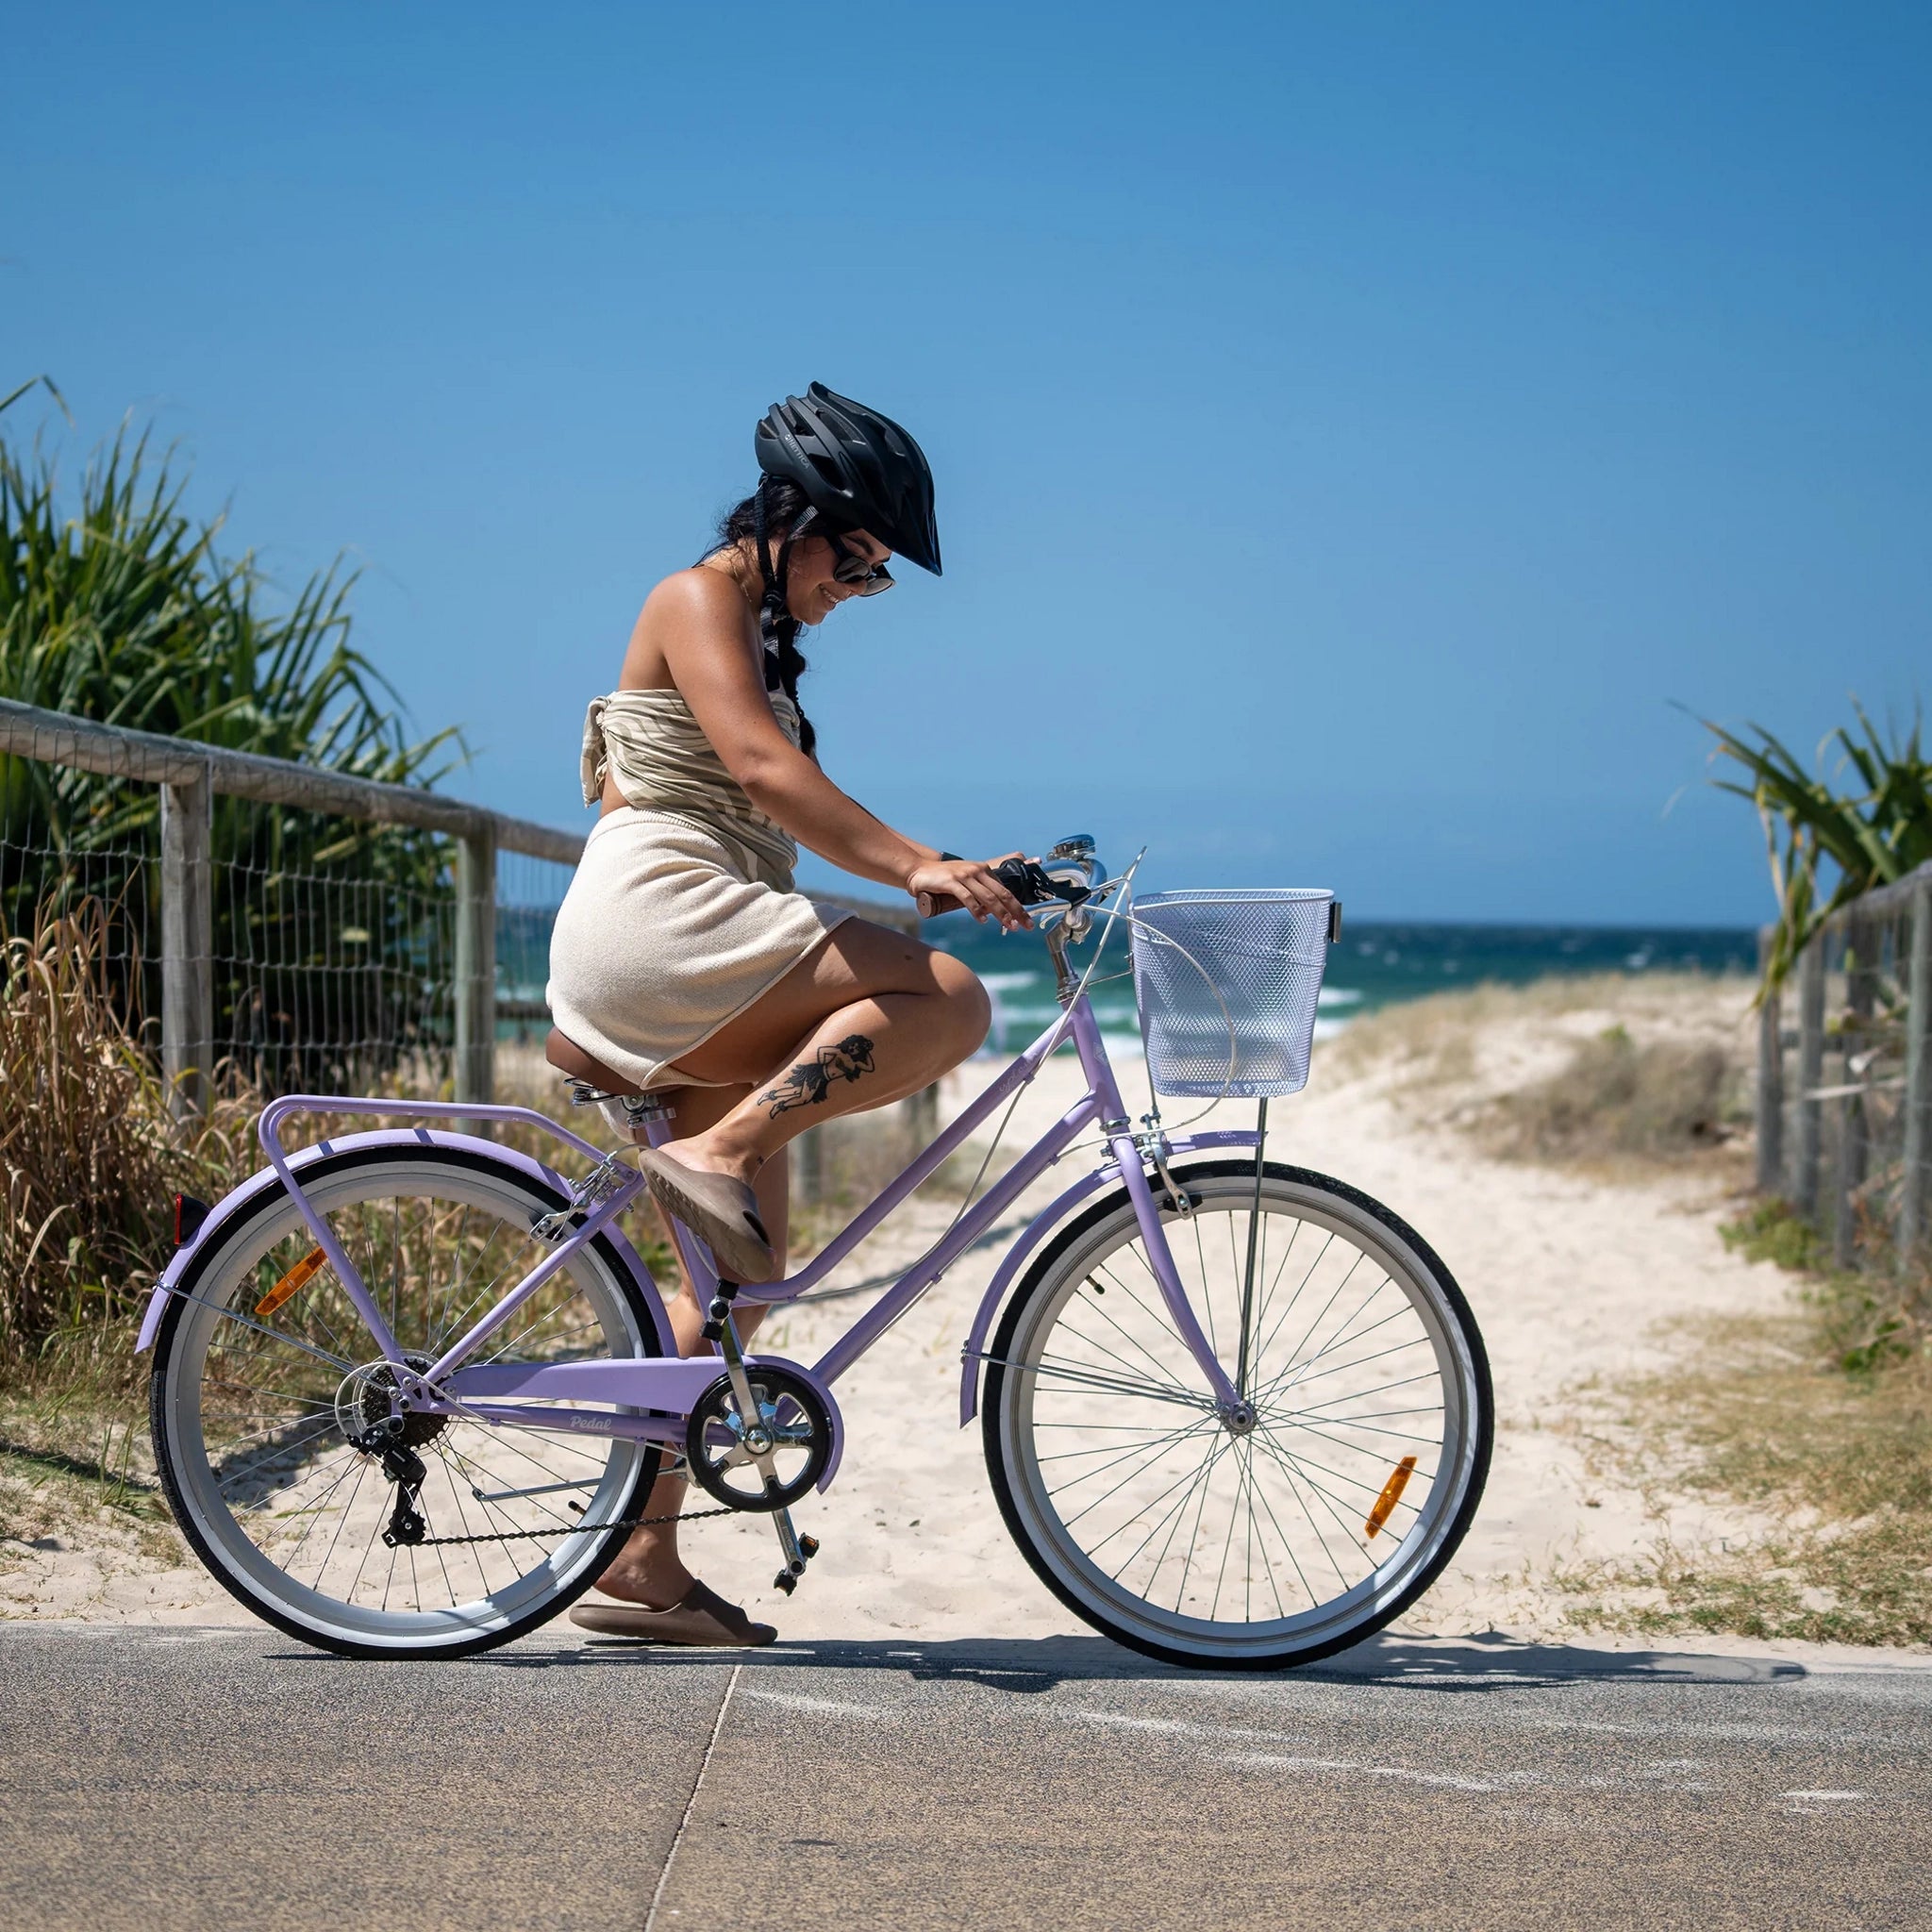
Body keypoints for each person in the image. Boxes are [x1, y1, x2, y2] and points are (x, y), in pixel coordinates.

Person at [545, 383, 1030, 1645]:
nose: (854, 593)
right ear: (796, 520)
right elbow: (766, 774)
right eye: (857, 564)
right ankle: (714, 1145)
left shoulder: (756, 634)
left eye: (871, 579)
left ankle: (642, 1561)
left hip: (690, 937)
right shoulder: (695, 596)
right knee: (945, 1000)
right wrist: (919, 864)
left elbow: (778, 787)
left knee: (736, 1271)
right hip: (658, 927)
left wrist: (952, 865)